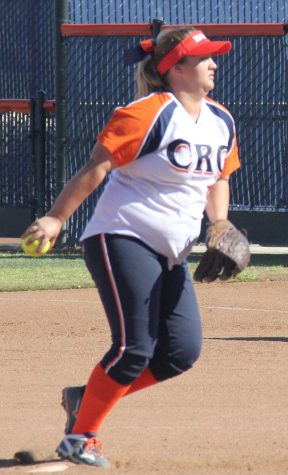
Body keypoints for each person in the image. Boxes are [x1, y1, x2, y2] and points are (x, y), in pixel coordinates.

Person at [22, 27, 240, 468]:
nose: (214, 63)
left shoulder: (221, 120)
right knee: (134, 347)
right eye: (203, 58)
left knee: (180, 352)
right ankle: (80, 437)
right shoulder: (147, 114)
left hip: (172, 250)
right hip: (122, 235)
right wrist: (56, 218)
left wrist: (220, 224)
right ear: (176, 68)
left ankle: (84, 400)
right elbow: (96, 167)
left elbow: (219, 178)